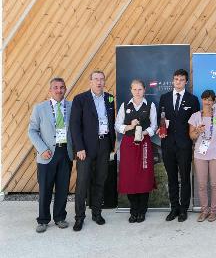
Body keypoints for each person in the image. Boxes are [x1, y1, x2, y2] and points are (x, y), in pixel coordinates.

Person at [71, 70, 116, 231]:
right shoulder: (80, 99)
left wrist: (112, 144)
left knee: (100, 180)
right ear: (90, 81)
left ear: (105, 82)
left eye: (101, 79)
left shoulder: (109, 98)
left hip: (104, 145)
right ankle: (79, 217)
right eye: (96, 79)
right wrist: (79, 148)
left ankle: (97, 213)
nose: (99, 82)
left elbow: (111, 121)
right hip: (86, 148)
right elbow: (74, 126)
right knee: (82, 182)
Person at [28, 77, 73, 233]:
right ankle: (43, 220)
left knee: (62, 188)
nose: (59, 90)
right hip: (47, 154)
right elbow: (32, 131)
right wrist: (42, 149)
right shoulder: (39, 108)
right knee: (45, 189)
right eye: (55, 87)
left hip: (65, 152)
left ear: (65, 89)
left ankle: (60, 217)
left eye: (62, 87)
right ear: (50, 90)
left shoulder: (72, 106)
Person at [157, 69, 200, 222]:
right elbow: (160, 119)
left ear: (186, 82)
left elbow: (195, 123)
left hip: (184, 145)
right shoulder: (164, 98)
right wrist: (160, 128)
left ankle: (183, 209)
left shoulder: (193, 100)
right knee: (172, 178)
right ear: (173, 80)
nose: (178, 82)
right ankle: (174, 208)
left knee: (185, 178)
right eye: (176, 79)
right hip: (168, 144)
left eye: (181, 79)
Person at [115, 79, 157, 223]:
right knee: (129, 177)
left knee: (144, 177)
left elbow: (154, 126)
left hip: (144, 143)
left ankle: (142, 210)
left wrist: (144, 132)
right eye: (134, 89)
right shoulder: (124, 105)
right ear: (131, 90)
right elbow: (117, 125)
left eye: (140, 89)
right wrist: (129, 126)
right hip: (128, 144)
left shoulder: (150, 105)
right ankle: (133, 210)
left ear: (144, 90)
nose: (137, 92)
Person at [188, 90, 216, 222]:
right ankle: (205, 210)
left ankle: (213, 211)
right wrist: (197, 130)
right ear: (202, 100)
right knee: (202, 185)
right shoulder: (195, 116)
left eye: (210, 99)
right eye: (205, 99)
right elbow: (191, 136)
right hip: (200, 155)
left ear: (214, 101)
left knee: (215, 184)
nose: (208, 102)